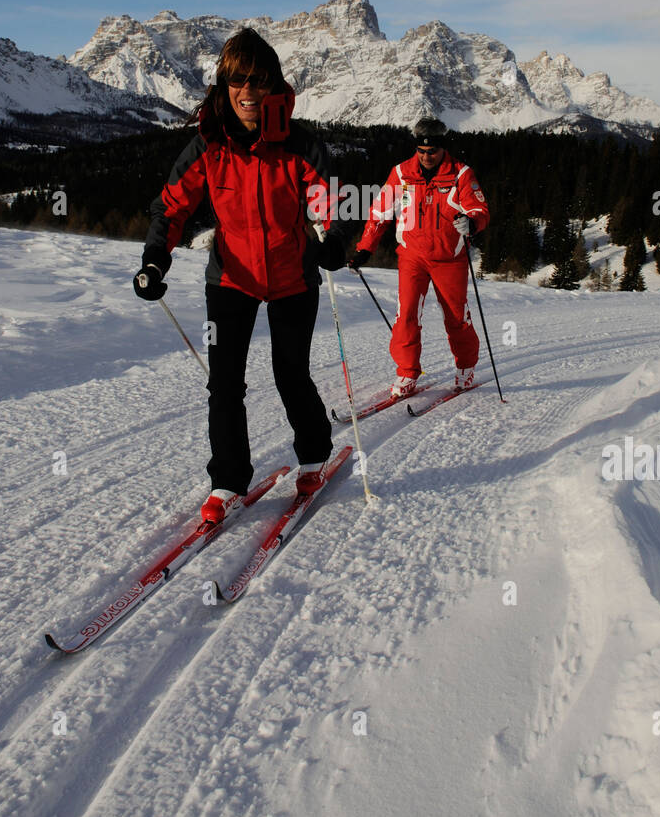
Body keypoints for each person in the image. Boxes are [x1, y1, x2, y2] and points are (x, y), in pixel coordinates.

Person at [134, 28, 345, 524]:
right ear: (223, 86)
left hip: (294, 276)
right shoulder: (208, 145)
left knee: (290, 372)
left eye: (258, 80)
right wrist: (154, 259)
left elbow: (329, 202)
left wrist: (335, 238)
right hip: (230, 279)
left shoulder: (300, 145)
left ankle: (314, 456)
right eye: (238, 80)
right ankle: (228, 480)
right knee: (225, 383)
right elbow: (171, 208)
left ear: (275, 86)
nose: (248, 91)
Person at [347, 116, 489, 396]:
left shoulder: (461, 174)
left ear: (442, 148)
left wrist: (472, 223)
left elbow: (480, 209)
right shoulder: (401, 173)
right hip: (412, 256)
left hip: (450, 257)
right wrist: (365, 248)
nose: (426, 157)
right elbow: (379, 213)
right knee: (406, 315)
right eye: (421, 151)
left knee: (456, 317)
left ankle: (466, 367)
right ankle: (407, 372)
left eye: (432, 151)